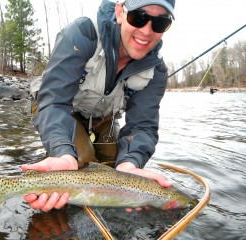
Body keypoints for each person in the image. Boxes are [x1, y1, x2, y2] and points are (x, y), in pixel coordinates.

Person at [22, 0, 175, 212]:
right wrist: (62, 151)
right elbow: (54, 101)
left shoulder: (156, 70)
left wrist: (130, 163)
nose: (147, 30)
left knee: (119, 173)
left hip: (103, 118)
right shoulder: (82, 34)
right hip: (60, 109)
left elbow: (142, 126)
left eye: (160, 23)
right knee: (79, 162)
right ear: (120, 12)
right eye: (138, 17)